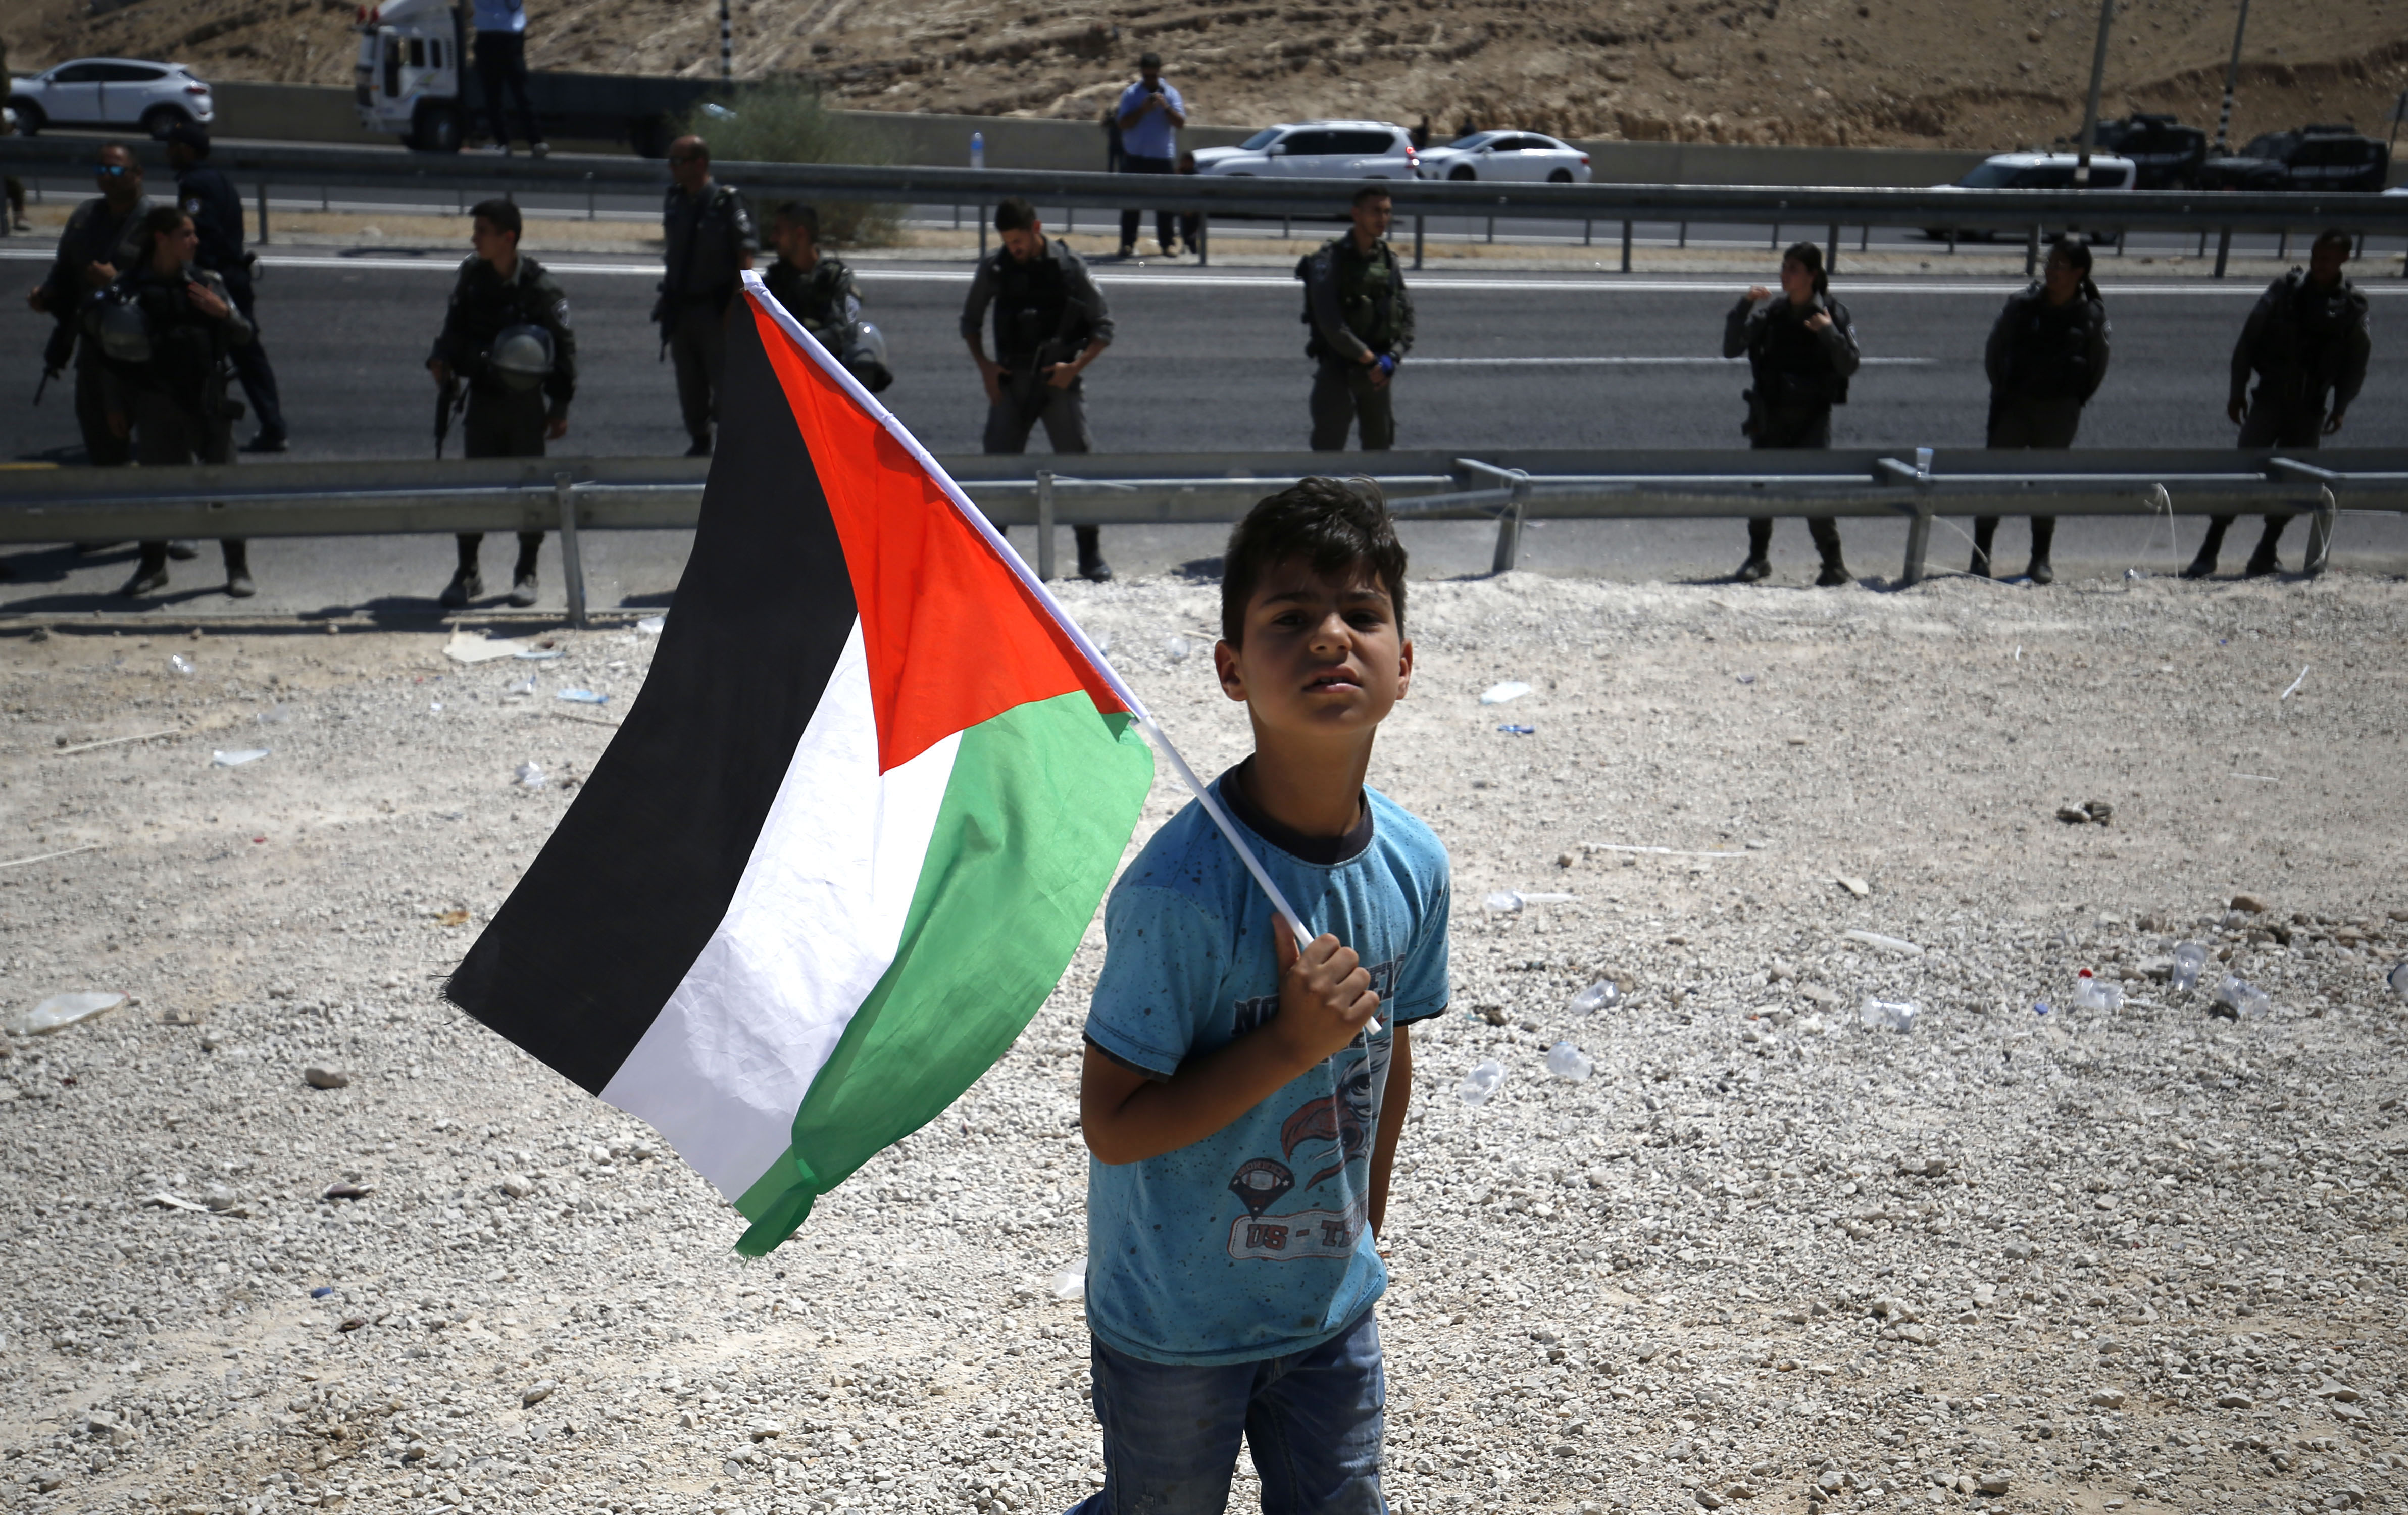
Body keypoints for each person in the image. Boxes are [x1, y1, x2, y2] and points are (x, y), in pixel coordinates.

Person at [1074, 476, 1449, 1515]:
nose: (1331, 637)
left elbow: (1388, 1056)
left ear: (1403, 663)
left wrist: (1359, 1237)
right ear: (1232, 670)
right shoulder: (1179, 894)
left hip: (1327, 1316)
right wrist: (1287, 1046)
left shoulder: (1413, 866)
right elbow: (1112, 1124)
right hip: (1173, 1325)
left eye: (1361, 615)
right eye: (1290, 619)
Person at [2188, 228, 2370, 579]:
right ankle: (2209, 549)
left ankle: (2266, 550)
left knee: (2293, 485)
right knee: (2241, 475)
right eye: (2316, 256)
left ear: (2344, 260)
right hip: (2269, 399)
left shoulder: (2351, 307)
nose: (2319, 264)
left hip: (2310, 408)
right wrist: (2237, 390)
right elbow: (2249, 340)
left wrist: (2342, 405)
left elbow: (2356, 364)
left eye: (2328, 259)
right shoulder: (2284, 292)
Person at [96, 206, 256, 598]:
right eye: (186, 234)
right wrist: (115, 406)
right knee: (156, 492)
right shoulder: (129, 289)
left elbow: (246, 334)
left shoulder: (207, 283)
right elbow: (110, 355)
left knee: (223, 489)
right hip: (156, 403)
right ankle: (153, 567)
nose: (195, 241)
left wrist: (223, 314)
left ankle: (237, 568)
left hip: (208, 401)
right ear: (160, 239)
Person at [427, 198, 577, 608]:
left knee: (530, 488)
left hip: (525, 405)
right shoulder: (473, 277)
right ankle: (468, 571)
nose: (474, 239)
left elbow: (564, 350)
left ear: (507, 238)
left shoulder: (542, 288)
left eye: (482, 232)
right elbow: (454, 326)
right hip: (484, 399)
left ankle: (526, 570)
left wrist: (559, 407)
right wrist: (441, 359)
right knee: (476, 487)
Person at [961, 196, 1115, 581]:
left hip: (1057, 382)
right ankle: (991, 557)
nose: (1013, 248)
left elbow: (1104, 328)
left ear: (1036, 229)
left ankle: (1089, 553)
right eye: (1007, 240)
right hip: (1011, 382)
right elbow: (970, 323)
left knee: (1077, 462)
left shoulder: (1070, 268)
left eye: (1018, 240)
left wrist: (1074, 367)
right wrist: (986, 368)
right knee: (998, 467)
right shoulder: (996, 268)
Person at [1724, 241, 1861, 586]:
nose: (1785, 275)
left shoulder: (1832, 313)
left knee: (1815, 493)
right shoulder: (1773, 314)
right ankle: (1758, 558)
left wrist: (1828, 333)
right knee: (1762, 490)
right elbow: (1731, 348)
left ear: (1812, 276)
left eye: (1793, 269)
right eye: (1784, 267)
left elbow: (1849, 365)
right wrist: (1744, 306)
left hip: (1811, 419)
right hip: (1770, 415)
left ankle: (1833, 564)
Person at [1973, 238, 2109, 584]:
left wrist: (2069, 402)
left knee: (2046, 485)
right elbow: (1994, 353)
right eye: (2050, 263)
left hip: (2059, 413)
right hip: (2014, 408)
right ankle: (1980, 555)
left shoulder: (2090, 316)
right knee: (1994, 481)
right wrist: (2004, 392)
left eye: (2060, 265)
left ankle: (2040, 558)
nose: (2051, 270)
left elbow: (2096, 369)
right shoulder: (2022, 307)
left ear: (2079, 273)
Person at [164, 124, 287, 454]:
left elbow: (202, 229)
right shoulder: (219, 180)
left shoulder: (193, 185)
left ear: (187, 150)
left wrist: (196, 274)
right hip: (235, 274)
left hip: (217, 279)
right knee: (247, 352)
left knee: (196, 351)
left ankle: (194, 429)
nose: (168, 152)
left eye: (173, 146)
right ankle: (273, 425)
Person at [27, 143, 152, 470]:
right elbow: (65, 270)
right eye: (100, 170)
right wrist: (47, 294)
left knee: (158, 442)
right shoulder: (85, 217)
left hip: (146, 345)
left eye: (115, 170)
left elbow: (175, 281)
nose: (106, 178)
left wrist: (119, 279)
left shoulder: (157, 224)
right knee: (99, 432)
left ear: (138, 174)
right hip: (96, 343)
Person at [657, 136, 756, 458]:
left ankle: (734, 450)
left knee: (726, 383)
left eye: (678, 161)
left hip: (716, 310)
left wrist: (736, 306)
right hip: (681, 309)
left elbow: (745, 257)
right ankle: (700, 442)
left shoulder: (726, 203)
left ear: (700, 163)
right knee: (689, 385)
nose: (671, 168)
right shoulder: (674, 200)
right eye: (670, 161)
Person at [1302, 184, 1414, 453]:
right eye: (1375, 211)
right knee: (1327, 457)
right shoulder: (1331, 260)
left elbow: (1407, 317)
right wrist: (1370, 359)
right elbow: (1331, 323)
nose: (1382, 219)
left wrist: (1393, 357)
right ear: (1356, 214)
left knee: (1379, 455)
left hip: (1377, 376)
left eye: (1387, 212)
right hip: (1339, 371)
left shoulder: (1388, 260)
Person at [760, 202, 891, 392]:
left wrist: (798, 348)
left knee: (865, 339)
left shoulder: (837, 278)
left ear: (800, 235)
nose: (772, 239)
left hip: (826, 373)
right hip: (782, 373)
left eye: (778, 232)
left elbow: (841, 331)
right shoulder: (774, 280)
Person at [1114, 52, 1186, 258]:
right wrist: (1142, 110)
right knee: (1131, 205)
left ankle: (1167, 244)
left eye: (1154, 76)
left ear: (1159, 74)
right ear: (1142, 74)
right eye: (1147, 77)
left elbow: (1180, 123)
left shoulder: (1171, 94)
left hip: (1162, 158)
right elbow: (1122, 124)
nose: (1151, 81)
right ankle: (1127, 244)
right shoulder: (1131, 94)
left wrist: (1166, 108)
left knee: (1165, 205)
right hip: (1135, 157)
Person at [472, 0, 547, 156]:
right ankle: (510, 142)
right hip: (496, 35)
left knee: (514, 92)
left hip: (502, 36)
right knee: (498, 94)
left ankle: (532, 141)